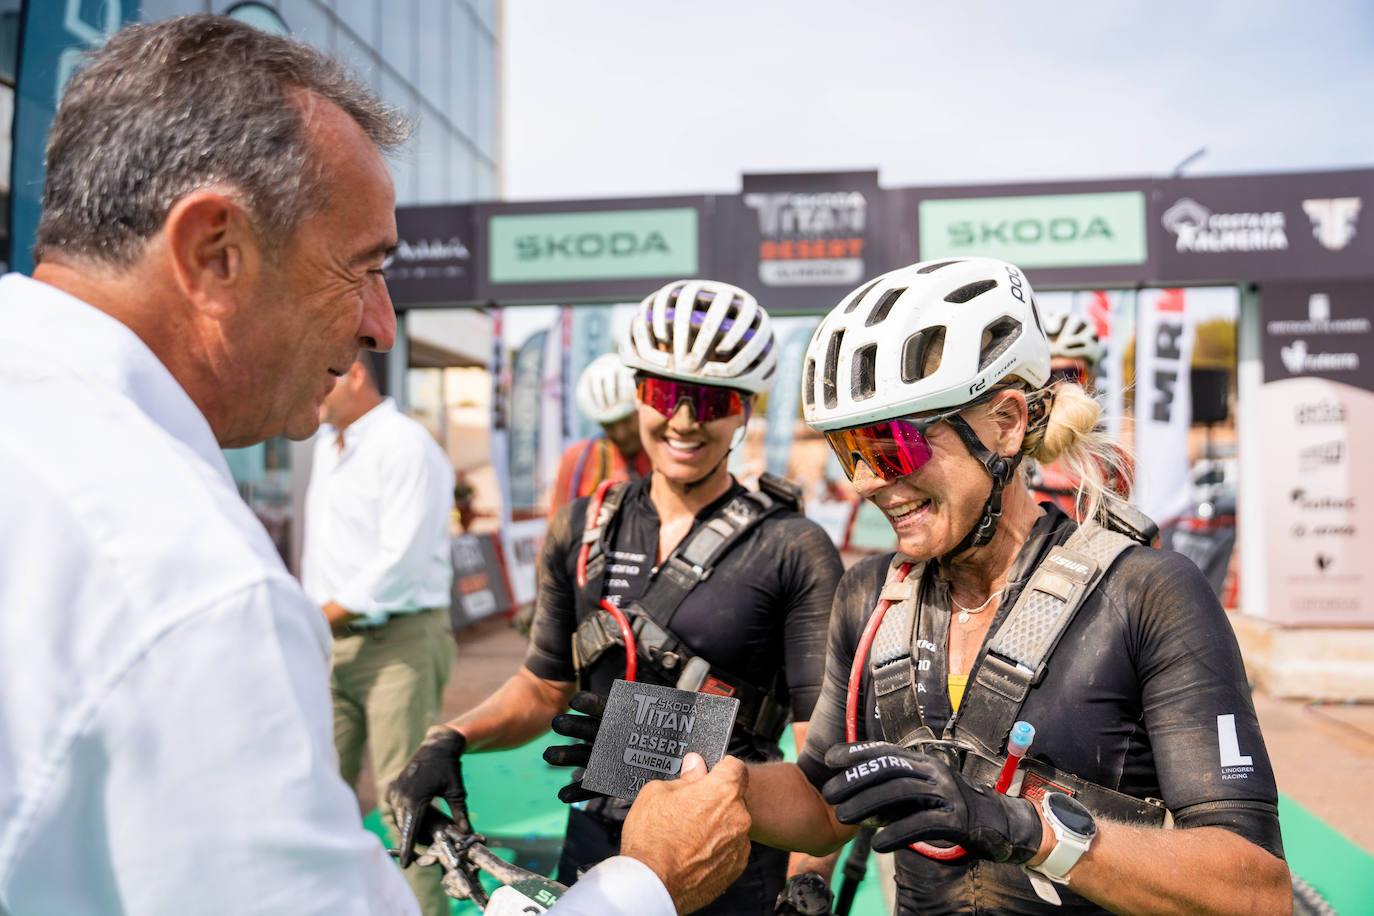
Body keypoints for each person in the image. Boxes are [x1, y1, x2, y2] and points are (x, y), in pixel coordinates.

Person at [0, 15, 752, 915]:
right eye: (362, 268)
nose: (381, 326)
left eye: (713, 401)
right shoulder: (190, 581)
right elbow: (543, 680)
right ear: (215, 253)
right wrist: (644, 884)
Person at [741, 258, 1290, 916]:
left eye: (890, 446)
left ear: (1003, 422)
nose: (866, 482)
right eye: (849, 450)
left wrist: (1024, 828)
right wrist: (711, 780)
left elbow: (1255, 892)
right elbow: (821, 805)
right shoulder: (871, 596)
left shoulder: (1148, 593)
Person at [390, 279, 845, 914]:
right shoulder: (582, 526)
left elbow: (820, 765)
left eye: (712, 401)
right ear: (638, 395)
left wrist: (809, 879)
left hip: (729, 858)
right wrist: (451, 736)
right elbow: (543, 686)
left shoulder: (794, 548)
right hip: (597, 850)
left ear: (744, 409)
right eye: (665, 394)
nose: (685, 420)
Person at [302, 352, 456, 916]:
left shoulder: (405, 445)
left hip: (398, 644)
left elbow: (402, 565)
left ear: (357, 373)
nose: (311, 382)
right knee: (322, 795)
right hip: (333, 639)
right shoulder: (328, 444)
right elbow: (327, 555)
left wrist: (318, 616)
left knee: (403, 800)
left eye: (322, 370)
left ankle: (425, 912)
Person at [549, 352, 652, 517]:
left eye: (626, 421)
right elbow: (559, 530)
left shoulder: (665, 455)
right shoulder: (579, 460)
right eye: (609, 425)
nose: (621, 434)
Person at [1028, 312, 1109, 518]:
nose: (1059, 386)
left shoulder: (1110, 460)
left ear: (1092, 378)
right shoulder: (1010, 447)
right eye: (1047, 376)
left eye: (1071, 374)